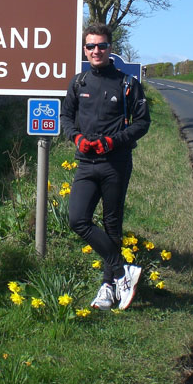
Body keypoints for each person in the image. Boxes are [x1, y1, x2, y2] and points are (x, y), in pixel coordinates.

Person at [60, 23, 151, 310]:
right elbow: (66, 117)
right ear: (84, 50)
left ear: (111, 48)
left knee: (112, 225)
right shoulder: (78, 82)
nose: (96, 51)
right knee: (77, 220)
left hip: (115, 163)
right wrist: (76, 138)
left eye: (101, 45)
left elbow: (142, 123)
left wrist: (112, 142)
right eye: (90, 46)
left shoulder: (127, 84)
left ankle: (109, 287)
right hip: (86, 163)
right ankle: (124, 271)